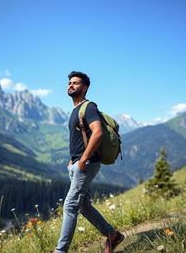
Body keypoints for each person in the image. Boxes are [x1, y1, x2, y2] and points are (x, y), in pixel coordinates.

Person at [51, 71, 124, 253]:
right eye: (69, 83)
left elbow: (97, 132)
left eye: (75, 83)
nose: (70, 85)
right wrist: (73, 160)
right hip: (77, 164)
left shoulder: (88, 107)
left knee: (70, 206)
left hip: (87, 163)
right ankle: (113, 236)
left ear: (84, 88)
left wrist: (83, 159)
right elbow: (80, 138)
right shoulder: (76, 110)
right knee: (84, 206)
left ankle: (60, 251)